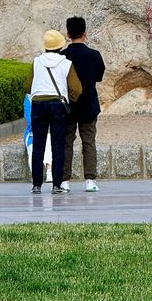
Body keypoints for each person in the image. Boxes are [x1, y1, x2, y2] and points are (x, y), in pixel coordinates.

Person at [26, 29, 82, 195]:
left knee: (38, 145)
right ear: (60, 46)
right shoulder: (66, 64)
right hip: (58, 105)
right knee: (58, 145)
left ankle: (36, 185)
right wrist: (68, 99)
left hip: (38, 104)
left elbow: (27, 86)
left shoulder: (36, 62)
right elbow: (76, 89)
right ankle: (56, 184)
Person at [59, 16, 106, 193]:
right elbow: (98, 77)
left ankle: (64, 181)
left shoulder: (62, 56)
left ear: (68, 34)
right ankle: (90, 180)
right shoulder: (94, 55)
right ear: (85, 34)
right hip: (89, 104)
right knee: (89, 142)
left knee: (66, 142)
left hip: (68, 105)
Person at [23, 94, 53, 183]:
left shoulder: (51, 93)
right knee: (33, 150)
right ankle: (36, 174)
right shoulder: (29, 97)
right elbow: (29, 118)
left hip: (49, 131)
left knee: (49, 141)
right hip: (32, 133)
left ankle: (49, 170)